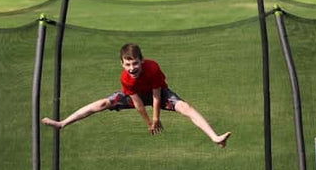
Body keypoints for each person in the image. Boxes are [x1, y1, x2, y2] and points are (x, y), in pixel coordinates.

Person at [41, 43, 231, 147]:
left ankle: (214, 137)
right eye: (128, 64)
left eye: (135, 64)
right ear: (122, 64)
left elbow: (157, 95)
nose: (132, 68)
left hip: (158, 93)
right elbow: (138, 103)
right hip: (137, 96)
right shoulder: (126, 78)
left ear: (142, 60)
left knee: (185, 107)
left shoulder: (153, 68)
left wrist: (156, 118)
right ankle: (63, 123)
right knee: (102, 103)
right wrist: (149, 123)